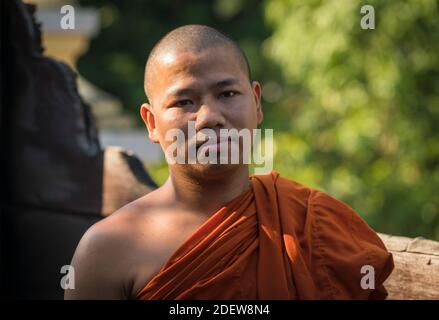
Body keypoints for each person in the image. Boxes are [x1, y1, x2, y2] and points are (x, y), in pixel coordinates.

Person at [65, 24, 394, 300]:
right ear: (152, 123)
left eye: (227, 94)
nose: (209, 117)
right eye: (184, 101)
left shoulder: (315, 223)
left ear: (257, 102)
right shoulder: (107, 250)